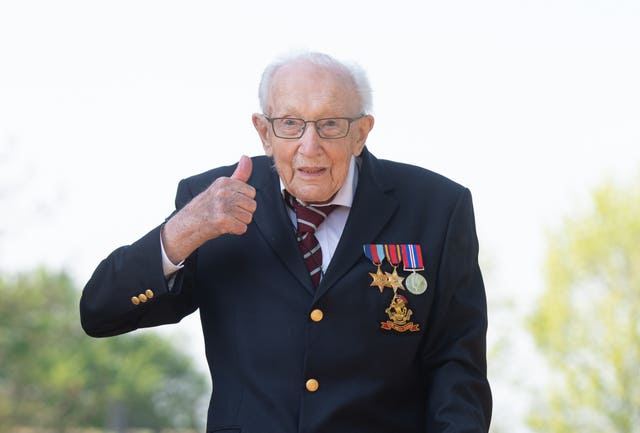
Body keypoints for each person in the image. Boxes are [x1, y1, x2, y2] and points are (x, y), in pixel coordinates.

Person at [80, 51, 492, 433]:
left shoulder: (437, 207)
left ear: (361, 132)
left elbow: (456, 365)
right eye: (290, 124)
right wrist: (184, 230)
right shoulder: (211, 200)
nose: (309, 147)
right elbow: (100, 312)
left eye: (330, 124)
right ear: (264, 131)